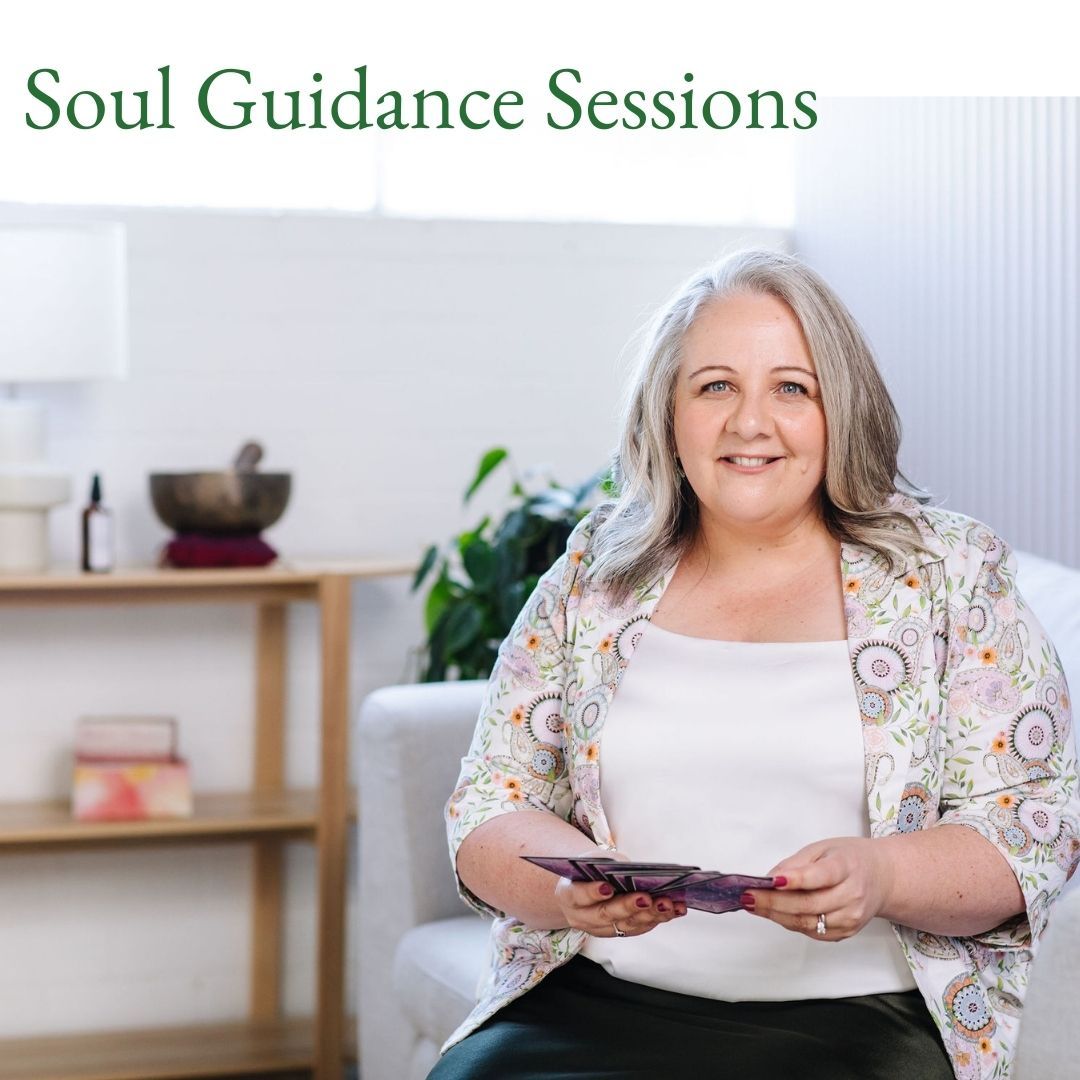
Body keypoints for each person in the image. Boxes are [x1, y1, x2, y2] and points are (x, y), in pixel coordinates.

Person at [430, 250, 1080, 1080]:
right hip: (596, 997)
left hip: (865, 1021)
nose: (749, 424)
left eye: (791, 388)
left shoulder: (949, 576)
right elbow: (492, 799)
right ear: (669, 413)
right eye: (715, 386)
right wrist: (567, 897)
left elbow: (1034, 825)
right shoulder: (596, 574)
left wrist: (882, 874)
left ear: (839, 410)